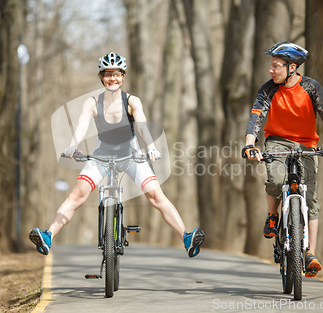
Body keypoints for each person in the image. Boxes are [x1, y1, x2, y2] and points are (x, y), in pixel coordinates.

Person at [30, 52, 205, 258]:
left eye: (117, 74)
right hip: (101, 155)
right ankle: (48, 237)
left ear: (123, 76)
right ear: (101, 77)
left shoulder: (132, 101)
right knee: (77, 195)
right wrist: (72, 146)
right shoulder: (92, 102)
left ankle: (186, 237)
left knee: (156, 196)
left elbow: (141, 127)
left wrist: (150, 148)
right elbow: (81, 126)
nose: (112, 78)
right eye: (108, 74)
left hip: (130, 154)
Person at [241, 42, 323, 277]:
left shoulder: (312, 88)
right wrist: (250, 144)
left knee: (310, 197)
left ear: (292, 67)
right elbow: (256, 117)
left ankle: (310, 252)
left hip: (307, 144)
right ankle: (273, 215)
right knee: (275, 178)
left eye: (275, 66)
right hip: (277, 141)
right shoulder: (268, 89)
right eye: (270, 66)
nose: (271, 70)